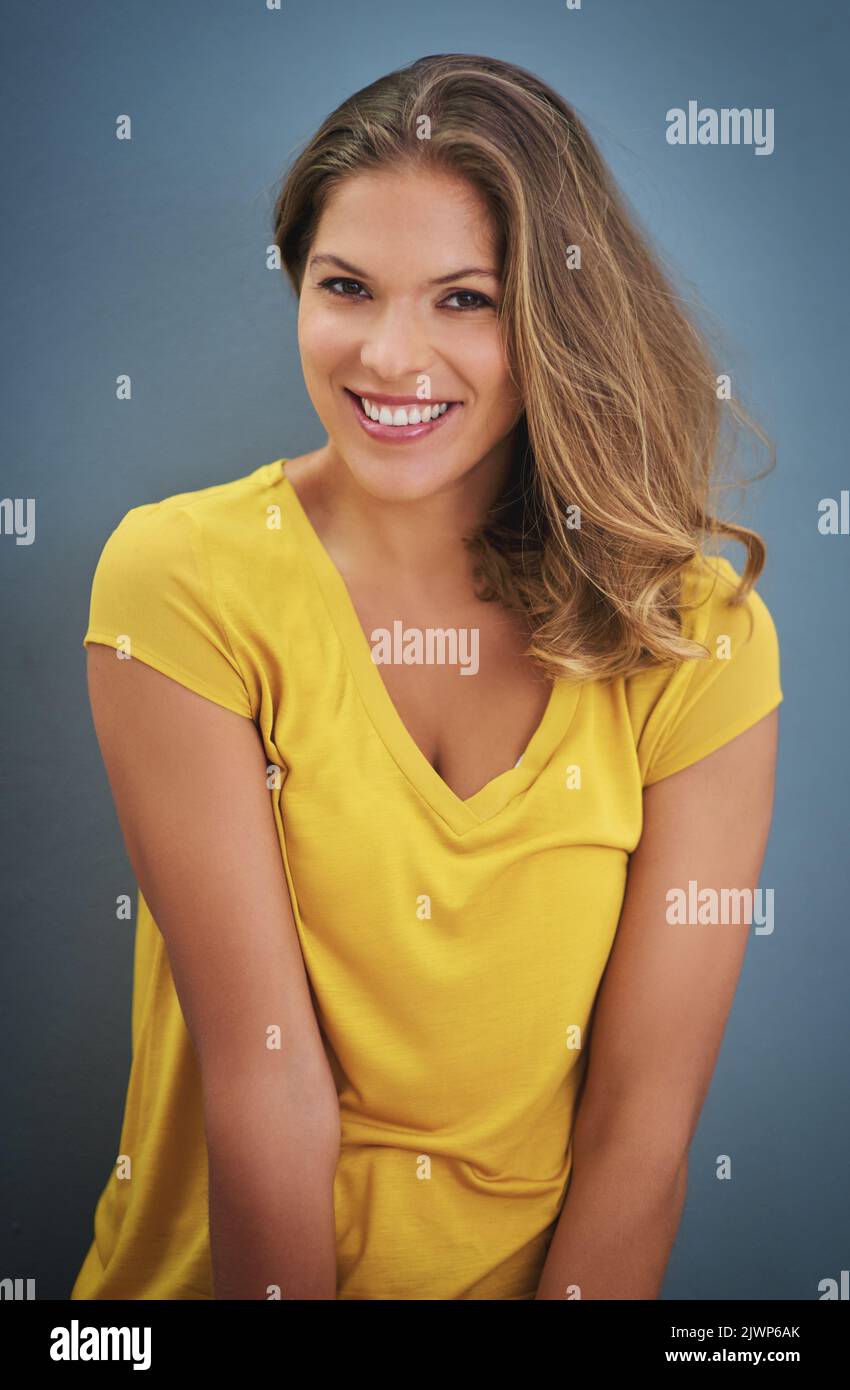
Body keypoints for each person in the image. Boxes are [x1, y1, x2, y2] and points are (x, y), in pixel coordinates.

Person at [71, 53, 783, 1301]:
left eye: (465, 299)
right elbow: (268, 1079)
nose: (392, 356)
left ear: (556, 321)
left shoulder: (694, 636)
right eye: (347, 287)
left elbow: (642, 1126)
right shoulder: (179, 580)